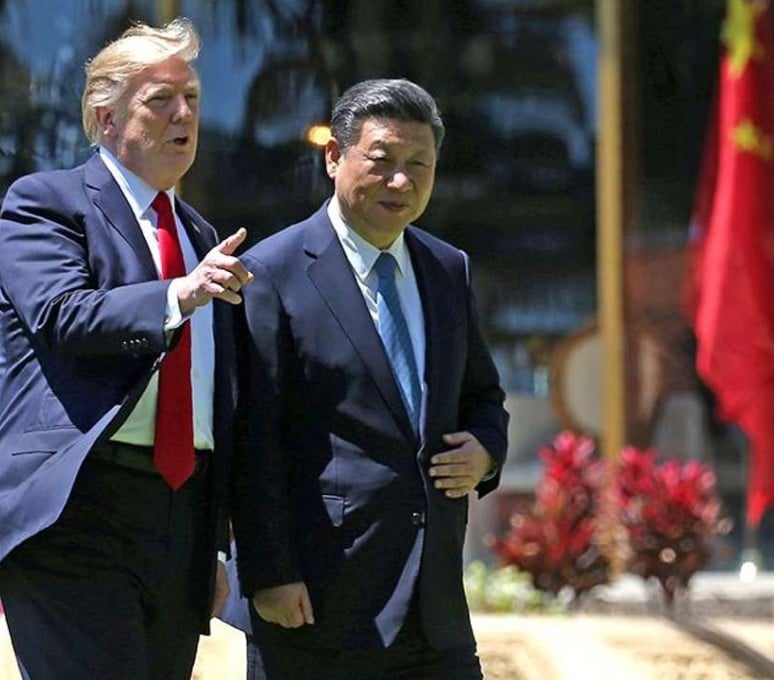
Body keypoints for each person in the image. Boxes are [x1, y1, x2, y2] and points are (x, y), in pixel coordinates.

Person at [231, 78, 509, 679]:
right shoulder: (271, 273)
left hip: (434, 610)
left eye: (420, 165)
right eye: (382, 162)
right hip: (317, 606)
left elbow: (483, 397)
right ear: (334, 157)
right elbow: (254, 440)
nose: (401, 182)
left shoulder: (446, 268)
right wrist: (269, 573)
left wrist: (485, 452)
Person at [0, 17, 252, 680]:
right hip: (76, 508)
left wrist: (216, 550)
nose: (185, 114)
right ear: (106, 119)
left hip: (179, 520)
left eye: (193, 98)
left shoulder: (201, 234)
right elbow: (63, 314)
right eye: (161, 99)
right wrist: (180, 295)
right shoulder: (44, 204)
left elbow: (217, 401)